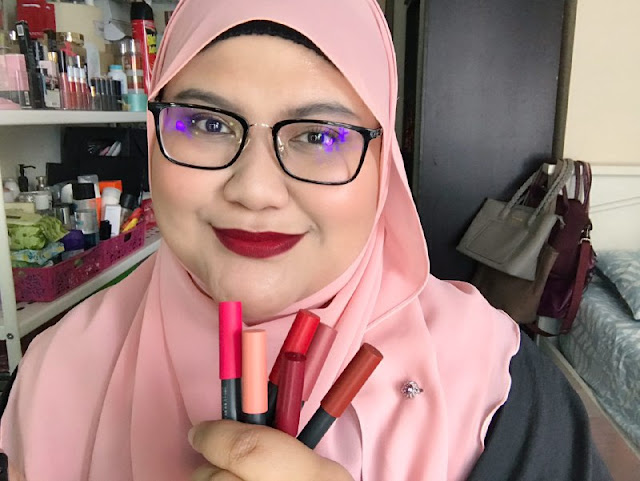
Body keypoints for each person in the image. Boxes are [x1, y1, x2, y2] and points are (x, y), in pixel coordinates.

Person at [0, 1, 612, 480]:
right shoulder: (57, 372)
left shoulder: (495, 384)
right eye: (207, 123)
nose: (255, 190)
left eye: (320, 135)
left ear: (384, 168)